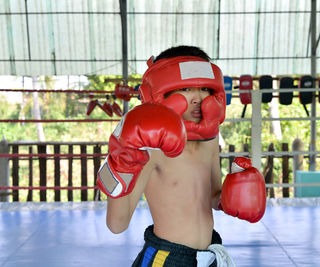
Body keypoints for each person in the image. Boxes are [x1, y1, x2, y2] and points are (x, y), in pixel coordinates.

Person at [97, 45, 266, 267]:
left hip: (209, 254)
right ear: (162, 92)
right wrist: (121, 162)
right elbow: (116, 224)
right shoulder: (153, 149)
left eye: (205, 87)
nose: (198, 97)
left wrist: (235, 193)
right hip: (167, 257)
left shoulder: (210, 139)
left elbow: (213, 197)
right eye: (186, 88)